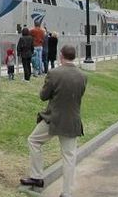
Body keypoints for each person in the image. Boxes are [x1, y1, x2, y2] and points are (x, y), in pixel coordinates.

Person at [20, 45, 87, 197]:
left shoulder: (54, 73)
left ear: (61, 56)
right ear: (74, 56)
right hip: (72, 120)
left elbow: (44, 96)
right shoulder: (83, 76)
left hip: (53, 118)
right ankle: (67, 192)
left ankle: (36, 176)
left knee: (34, 141)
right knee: (69, 156)